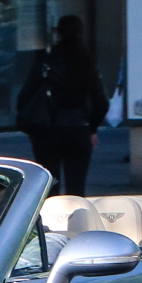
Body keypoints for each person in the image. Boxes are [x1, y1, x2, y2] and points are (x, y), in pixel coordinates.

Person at [16, 16, 110, 195]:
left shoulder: (46, 61)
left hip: (47, 131)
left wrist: (31, 128)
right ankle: (77, 221)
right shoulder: (86, 62)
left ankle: (50, 223)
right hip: (78, 130)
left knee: (49, 188)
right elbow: (101, 102)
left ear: (59, 34)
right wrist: (92, 128)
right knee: (76, 189)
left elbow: (24, 96)